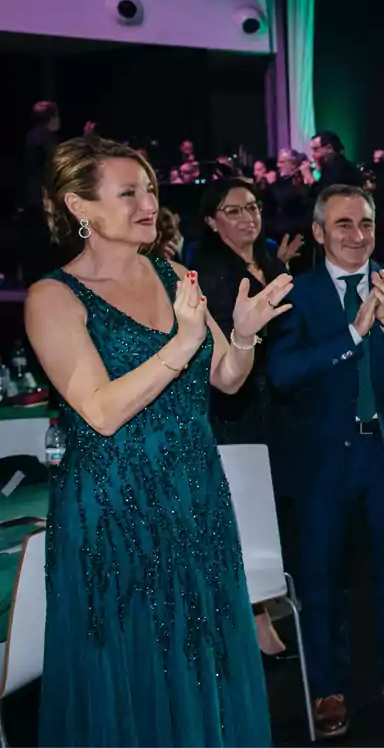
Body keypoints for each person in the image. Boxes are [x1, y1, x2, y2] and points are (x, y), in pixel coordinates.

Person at [26, 135, 293, 745]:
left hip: (195, 497)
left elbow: (226, 379)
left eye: (149, 189)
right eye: (129, 193)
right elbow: (97, 411)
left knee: (203, 657)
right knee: (131, 660)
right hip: (112, 509)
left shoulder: (172, 274)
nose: (148, 202)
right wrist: (179, 347)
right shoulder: (52, 298)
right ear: (80, 208)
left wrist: (245, 335)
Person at [267, 184, 384, 740]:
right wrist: (353, 334)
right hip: (323, 460)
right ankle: (327, 689)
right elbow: (282, 372)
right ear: (318, 233)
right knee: (321, 582)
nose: (357, 235)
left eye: (365, 223)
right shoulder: (295, 293)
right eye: (343, 224)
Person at [189, 177, 303, 662]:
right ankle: (254, 622)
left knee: (276, 507)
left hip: (277, 400)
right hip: (238, 407)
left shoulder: (266, 259)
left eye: (252, 207)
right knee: (248, 515)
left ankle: (262, 607)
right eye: (233, 211)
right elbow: (224, 355)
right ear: (213, 222)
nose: (247, 217)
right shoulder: (212, 270)